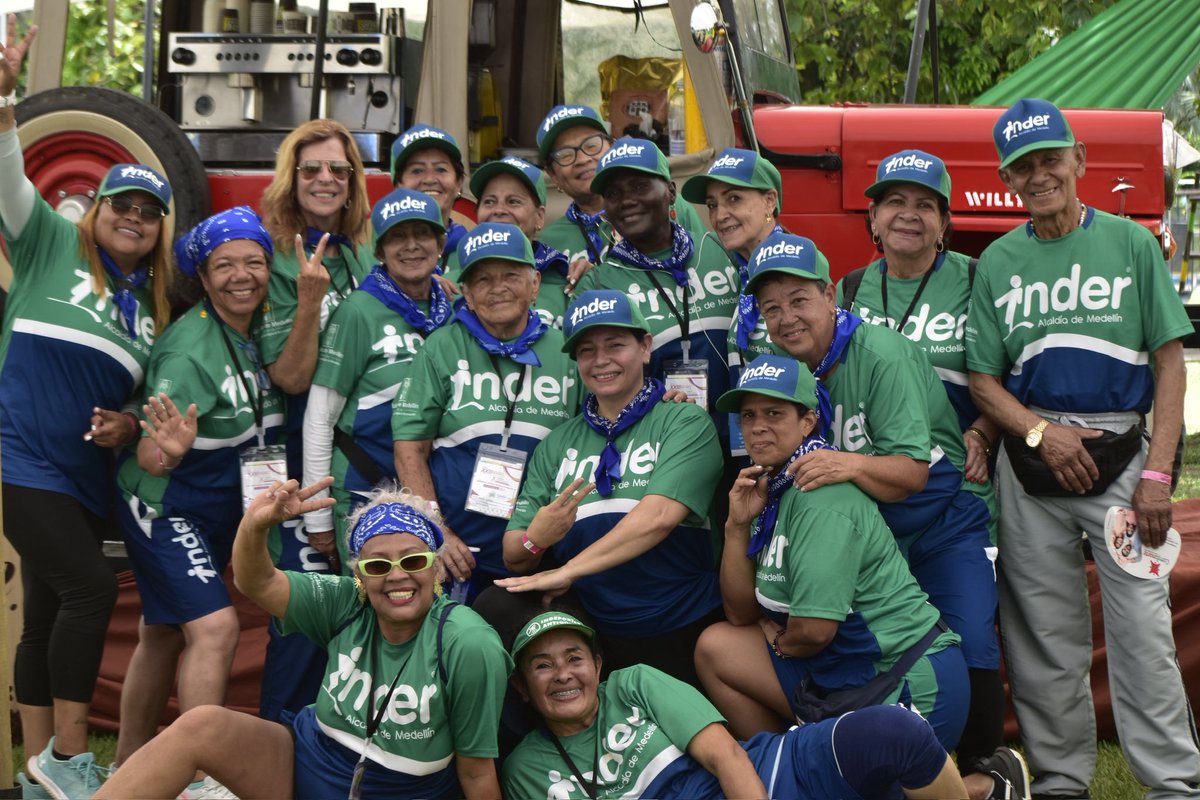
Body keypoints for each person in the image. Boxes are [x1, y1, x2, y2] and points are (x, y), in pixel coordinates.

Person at [966, 97, 1200, 799]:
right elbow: (983, 378)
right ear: (1009, 180)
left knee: (1144, 633)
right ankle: (1063, 782)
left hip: (1123, 459)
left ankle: (1175, 786)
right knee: (1043, 637)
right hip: (1032, 459)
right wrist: (1038, 431)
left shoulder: (1131, 245)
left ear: (1079, 163)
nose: (1038, 176)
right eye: (1022, 167)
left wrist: (1159, 474)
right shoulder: (999, 259)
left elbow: (1169, 364)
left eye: (1049, 160)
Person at [740, 232, 1018, 780]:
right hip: (868, 525)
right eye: (772, 308)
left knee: (969, 637)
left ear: (829, 295)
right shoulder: (781, 363)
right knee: (857, 641)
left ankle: (987, 770)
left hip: (937, 516)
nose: (786, 318)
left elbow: (914, 473)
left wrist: (849, 463)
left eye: (799, 301)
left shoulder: (880, 352)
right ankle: (818, 757)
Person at [0, 18, 173, 797]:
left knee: (44, 616)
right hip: (17, 456)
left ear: (159, 228)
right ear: (97, 205)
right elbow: (7, 172)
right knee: (90, 592)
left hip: (82, 479)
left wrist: (127, 425)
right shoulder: (47, 244)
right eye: (122, 204)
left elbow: (143, 409)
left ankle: (36, 770)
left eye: (147, 211)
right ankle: (71, 758)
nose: (132, 217)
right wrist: (6, 96)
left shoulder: (153, 312)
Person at [94, 481, 512, 800]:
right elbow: (255, 581)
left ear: (437, 569)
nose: (398, 575)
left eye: (414, 560)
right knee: (202, 724)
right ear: (359, 575)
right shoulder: (346, 602)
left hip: (393, 791)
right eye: (379, 564)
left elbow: (476, 773)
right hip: (302, 761)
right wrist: (254, 527)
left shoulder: (469, 644)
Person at [695, 354, 972, 756]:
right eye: (749, 416)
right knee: (716, 647)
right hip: (840, 671)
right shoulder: (771, 489)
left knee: (852, 786)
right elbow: (739, 614)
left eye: (774, 413)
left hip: (905, 676)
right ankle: (781, 764)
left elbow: (813, 631)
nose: (757, 427)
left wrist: (778, 641)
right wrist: (736, 526)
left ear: (807, 421)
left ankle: (985, 786)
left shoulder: (819, 494)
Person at [836, 149, 1006, 797]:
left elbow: (1004, 374)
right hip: (874, 498)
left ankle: (986, 769)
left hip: (956, 492)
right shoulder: (848, 290)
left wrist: (984, 429)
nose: (909, 215)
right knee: (884, 640)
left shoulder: (975, 281)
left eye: (925, 205)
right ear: (874, 218)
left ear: (945, 222)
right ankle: (904, 766)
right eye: (895, 203)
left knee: (969, 631)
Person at [109, 208, 284, 778]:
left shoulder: (259, 330)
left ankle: (128, 765)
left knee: (161, 634)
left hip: (214, 509)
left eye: (254, 262)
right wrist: (171, 449)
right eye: (224, 265)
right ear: (203, 279)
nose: (242, 275)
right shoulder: (188, 352)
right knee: (215, 628)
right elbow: (149, 456)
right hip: (162, 503)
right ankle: (198, 770)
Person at [494, 290, 723, 688]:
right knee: (494, 605)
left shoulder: (684, 421)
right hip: (597, 631)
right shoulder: (557, 442)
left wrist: (566, 571)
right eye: (586, 350)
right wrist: (537, 538)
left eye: (615, 345)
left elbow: (656, 519)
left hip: (679, 624)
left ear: (646, 347)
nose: (600, 361)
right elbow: (515, 556)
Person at [502, 610, 970, 800]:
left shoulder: (634, 684)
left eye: (574, 658)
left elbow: (726, 755)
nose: (563, 674)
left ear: (598, 666)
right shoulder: (525, 768)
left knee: (895, 733)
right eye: (542, 666)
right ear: (522, 687)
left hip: (757, 778)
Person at [392, 222, 579, 602]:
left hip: (547, 554)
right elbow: (410, 447)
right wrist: (436, 531)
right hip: (459, 557)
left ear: (535, 284)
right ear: (466, 293)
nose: (497, 288)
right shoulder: (441, 347)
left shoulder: (567, 349)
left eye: (511, 275)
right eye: (482, 280)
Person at [257, 117, 374, 720]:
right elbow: (291, 377)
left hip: (360, 460)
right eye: (311, 169)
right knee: (301, 614)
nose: (326, 179)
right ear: (291, 178)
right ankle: (271, 753)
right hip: (301, 459)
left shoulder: (363, 249)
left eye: (338, 169)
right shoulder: (277, 253)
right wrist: (307, 298)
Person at [302, 188, 452, 570]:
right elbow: (320, 417)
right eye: (398, 237)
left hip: (429, 491)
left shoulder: (451, 308)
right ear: (380, 250)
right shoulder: (358, 310)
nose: (412, 246)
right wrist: (316, 517)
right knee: (374, 605)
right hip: (363, 490)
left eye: (423, 234)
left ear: (441, 242)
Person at [680, 146, 785, 457]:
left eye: (734, 199)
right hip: (745, 444)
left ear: (770, 200)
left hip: (788, 451)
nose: (720, 215)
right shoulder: (739, 265)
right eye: (713, 205)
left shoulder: (795, 269)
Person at [536, 104, 709, 282]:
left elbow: (707, 266)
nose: (583, 159)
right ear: (553, 175)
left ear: (612, 146)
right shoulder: (548, 245)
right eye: (565, 155)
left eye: (592, 145)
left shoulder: (667, 205)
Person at [470, 155, 572, 327]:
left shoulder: (567, 283)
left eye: (513, 202)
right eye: (489, 201)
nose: (499, 210)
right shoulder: (454, 284)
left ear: (539, 217)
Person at [390, 124, 469, 277]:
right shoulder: (373, 255)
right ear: (398, 184)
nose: (429, 179)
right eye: (417, 170)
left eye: (440, 169)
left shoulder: (476, 253)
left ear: (459, 182)